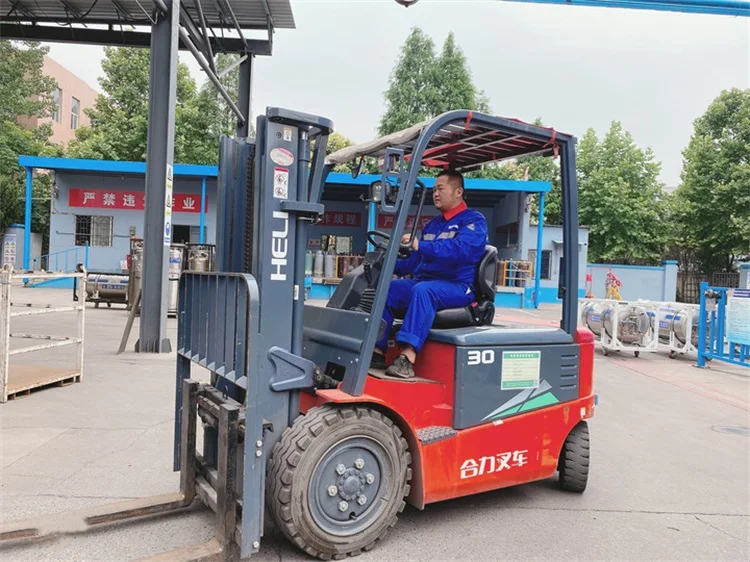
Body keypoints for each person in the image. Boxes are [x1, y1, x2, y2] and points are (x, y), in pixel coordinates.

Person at [371, 169, 488, 378]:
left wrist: (420, 245)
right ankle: (377, 351)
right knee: (389, 288)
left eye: (440, 189)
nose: (435, 194)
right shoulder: (433, 225)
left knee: (424, 291)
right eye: (434, 190)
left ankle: (407, 357)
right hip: (427, 281)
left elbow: (461, 249)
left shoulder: (474, 221)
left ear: (458, 192)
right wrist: (386, 262)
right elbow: (414, 262)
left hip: (458, 285)